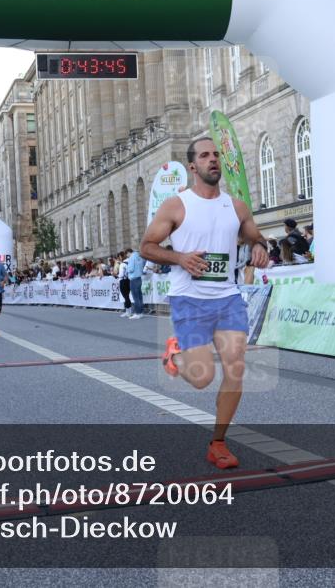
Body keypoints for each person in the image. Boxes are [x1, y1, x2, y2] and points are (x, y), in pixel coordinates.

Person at [141, 137, 270, 470]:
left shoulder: (237, 206)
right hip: (190, 299)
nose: (213, 159)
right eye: (204, 155)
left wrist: (259, 248)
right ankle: (175, 354)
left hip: (227, 297)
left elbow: (256, 236)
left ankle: (218, 443)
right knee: (201, 378)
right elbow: (147, 247)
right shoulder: (176, 205)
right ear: (192, 167)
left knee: (235, 368)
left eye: (215, 155)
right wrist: (180, 257)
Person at [126, 247, 145, 319]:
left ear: (129, 252)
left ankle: (137, 313)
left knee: (135, 297)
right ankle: (141, 312)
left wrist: (127, 269)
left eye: (127, 254)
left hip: (133, 278)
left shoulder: (132, 257)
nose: (127, 256)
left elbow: (130, 269)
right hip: (139, 277)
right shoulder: (139, 256)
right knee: (139, 296)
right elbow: (142, 266)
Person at [117, 252, 132, 317]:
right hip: (129, 280)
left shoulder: (122, 264)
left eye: (119, 257)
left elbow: (121, 274)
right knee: (127, 296)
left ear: (121, 256)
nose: (119, 258)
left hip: (123, 280)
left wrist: (116, 275)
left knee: (125, 296)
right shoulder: (130, 262)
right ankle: (128, 311)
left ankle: (129, 311)